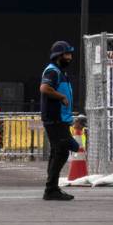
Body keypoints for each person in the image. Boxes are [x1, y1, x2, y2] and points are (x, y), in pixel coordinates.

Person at [40, 40, 80, 201]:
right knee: (64, 150)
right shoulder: (52, 71)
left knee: (57, 151)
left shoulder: (61, 72)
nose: (70, 57)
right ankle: (51, 189)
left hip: (61, 119)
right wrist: (61, 97)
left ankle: (51, 188)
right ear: (58, 56)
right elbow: (44, 88)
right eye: (67, 54)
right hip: (55, 119)